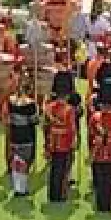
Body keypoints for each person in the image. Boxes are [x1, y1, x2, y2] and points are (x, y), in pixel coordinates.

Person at [42, 70, 80, 203]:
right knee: (63, 168)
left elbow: (45, 125)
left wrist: (46, 142)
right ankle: (61, 193)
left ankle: (53, 194)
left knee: (54, 168)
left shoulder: (49, 106)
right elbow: (72, 127)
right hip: (65, 142)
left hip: (52, 141)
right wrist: (74, 141)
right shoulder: (70, 108)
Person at [87, 76, 111, 212]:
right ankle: (107, 205)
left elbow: (90, 136)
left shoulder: (94, 117)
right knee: (109, 180)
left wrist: (91, 150)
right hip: (110, 153)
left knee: (99, 179)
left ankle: (101, 204)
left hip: (97, 153)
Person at [4, 73, 40, 198]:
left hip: (15, 135)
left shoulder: (11, 101)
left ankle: (17, 187)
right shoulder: (31, 104)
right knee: (25, 162)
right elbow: (34, 120)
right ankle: (22, 189)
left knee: (16, 162)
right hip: (27, 136)